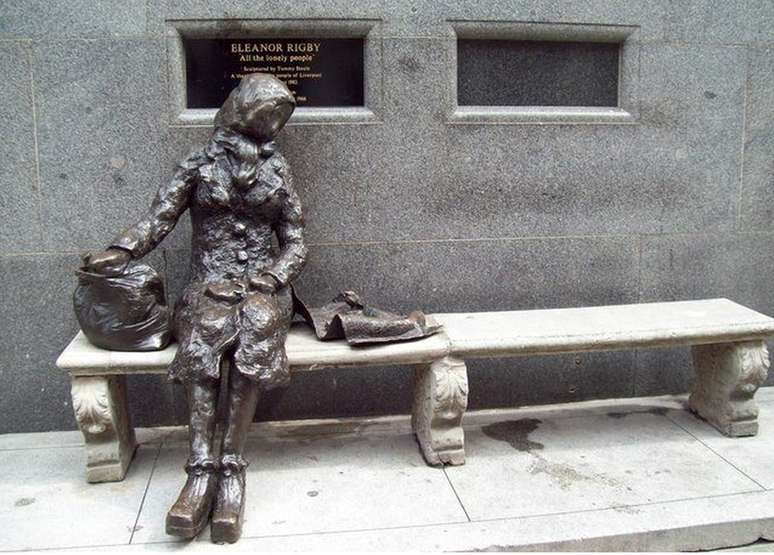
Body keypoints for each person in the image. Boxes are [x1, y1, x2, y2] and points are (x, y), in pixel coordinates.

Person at [84, 73, 307, 543]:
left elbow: (296, 240)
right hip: (209, 280)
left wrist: (274, 276)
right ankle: (199, 470)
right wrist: (121, 251)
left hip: (263, 284)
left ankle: (232, 470)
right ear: (242, 110)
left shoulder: (278, 170)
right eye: (267, 113)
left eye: (280, 118)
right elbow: (157, 218)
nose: (273, 124)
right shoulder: (199, 165)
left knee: (257, 325)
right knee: (205, 332)